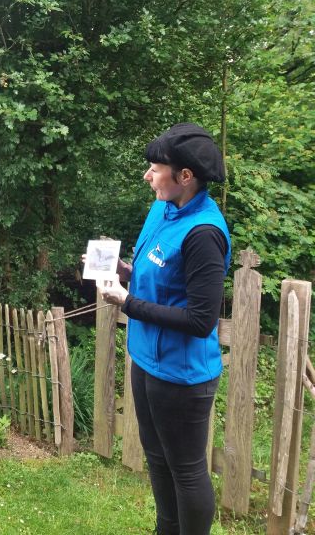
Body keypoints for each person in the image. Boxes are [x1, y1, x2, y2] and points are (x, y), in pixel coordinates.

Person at [98, 123, 231, 535]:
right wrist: (125, 270)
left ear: (185, 176)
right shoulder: (162, 209)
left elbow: (200, 320)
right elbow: (157, 270)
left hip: (182, 374)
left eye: (155, 169)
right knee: (156, 456)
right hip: (146, 360)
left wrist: (126, 301)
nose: (147, 176)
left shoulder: (204, 233)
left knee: (187, 470)